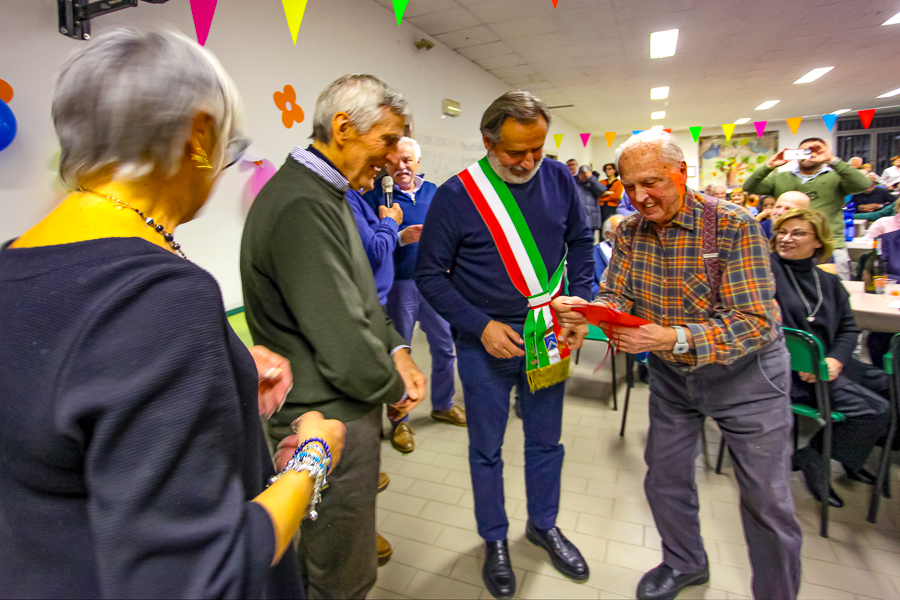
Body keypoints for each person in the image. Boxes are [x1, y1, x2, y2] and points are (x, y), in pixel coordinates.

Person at [0, 28, 349, 598]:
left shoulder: (15, 263)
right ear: (200, 135)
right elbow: (202, 576)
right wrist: (312, 460)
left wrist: (223, 380)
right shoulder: (160, 295)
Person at [554, 130, 802, 600]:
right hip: (673, 378)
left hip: (747, 379)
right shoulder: (629, 231)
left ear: (682, 173)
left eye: (651, 183)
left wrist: (673, 337)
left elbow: (755, 322)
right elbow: (616, 294)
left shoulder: (733, 225)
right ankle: (685, 562)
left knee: (767, 502)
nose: (639, 197)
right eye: (629, 186)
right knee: (665, 479)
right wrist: (590, 313)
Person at [240, 74, 427, 599]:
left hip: (336, 408)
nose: (391, 158)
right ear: (342, 127)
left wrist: (398, 350)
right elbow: (345, 344)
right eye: (387, 141)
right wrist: (393, 387)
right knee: (341, 573)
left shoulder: (329, 194)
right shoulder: (304, 204)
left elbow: (363, 296)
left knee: (330, 558)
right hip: (325, 418)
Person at [416, 90, 594, 599]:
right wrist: (480, 326)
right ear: (488, 141)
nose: (529, 161)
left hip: (548, 336)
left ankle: (543, 526)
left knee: (546, 442)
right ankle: (494, 537)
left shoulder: (558, 178)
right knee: (486, 449)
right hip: (484, 348)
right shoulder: (456, 196)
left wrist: (580, 301)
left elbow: (582, 241)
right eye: (516, 151)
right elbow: (429, 276)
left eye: (538, 148)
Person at [769, 209, 889, 507]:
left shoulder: (828, 281)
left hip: (832, 364)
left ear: (818, 241)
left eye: (798, 233)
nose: (786, 238)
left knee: (893, 387)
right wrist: (807, 363)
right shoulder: (766, 273)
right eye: (782, 232)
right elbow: (766, 330)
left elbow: (849, 328)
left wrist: (835, 359)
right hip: (795, 372)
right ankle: (814, 456)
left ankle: (852, 454)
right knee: (875, 410)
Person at [363, 136, 466, 455]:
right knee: (400, 353)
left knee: (445, 347)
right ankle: (400, 421)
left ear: (418, 162)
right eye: (393, 162)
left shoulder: (433, 192)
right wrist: (399, 237)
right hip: (399, 285)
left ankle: (443, 405)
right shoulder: (374, 197)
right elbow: (369, 246)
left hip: (434, 283)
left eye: (407, 160)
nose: (401, 167)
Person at [743, 137, 871, 279]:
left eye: (816, 150)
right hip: (789, 246)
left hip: (830, 246)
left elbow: (863, 184)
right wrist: (769, 166)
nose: (810, 154)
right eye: (805, 151)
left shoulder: (835, 177)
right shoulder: (781, 178)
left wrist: (832, 160)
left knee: (835, 287)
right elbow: (749, 187)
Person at [593, 214, 624, 296]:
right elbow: (589, 285)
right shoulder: (593, 254)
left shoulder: (635, 252)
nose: (626, 236)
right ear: (608, 234)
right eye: (621, 233)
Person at [576, 164, 606, 237]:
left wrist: (591, 178)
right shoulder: (573, 182)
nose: (584, 175)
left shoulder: (593, 183)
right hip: (577, 219)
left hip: (591, 220)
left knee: (589, 240)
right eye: (582, 173)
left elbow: (602, 190)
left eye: (586, 174)